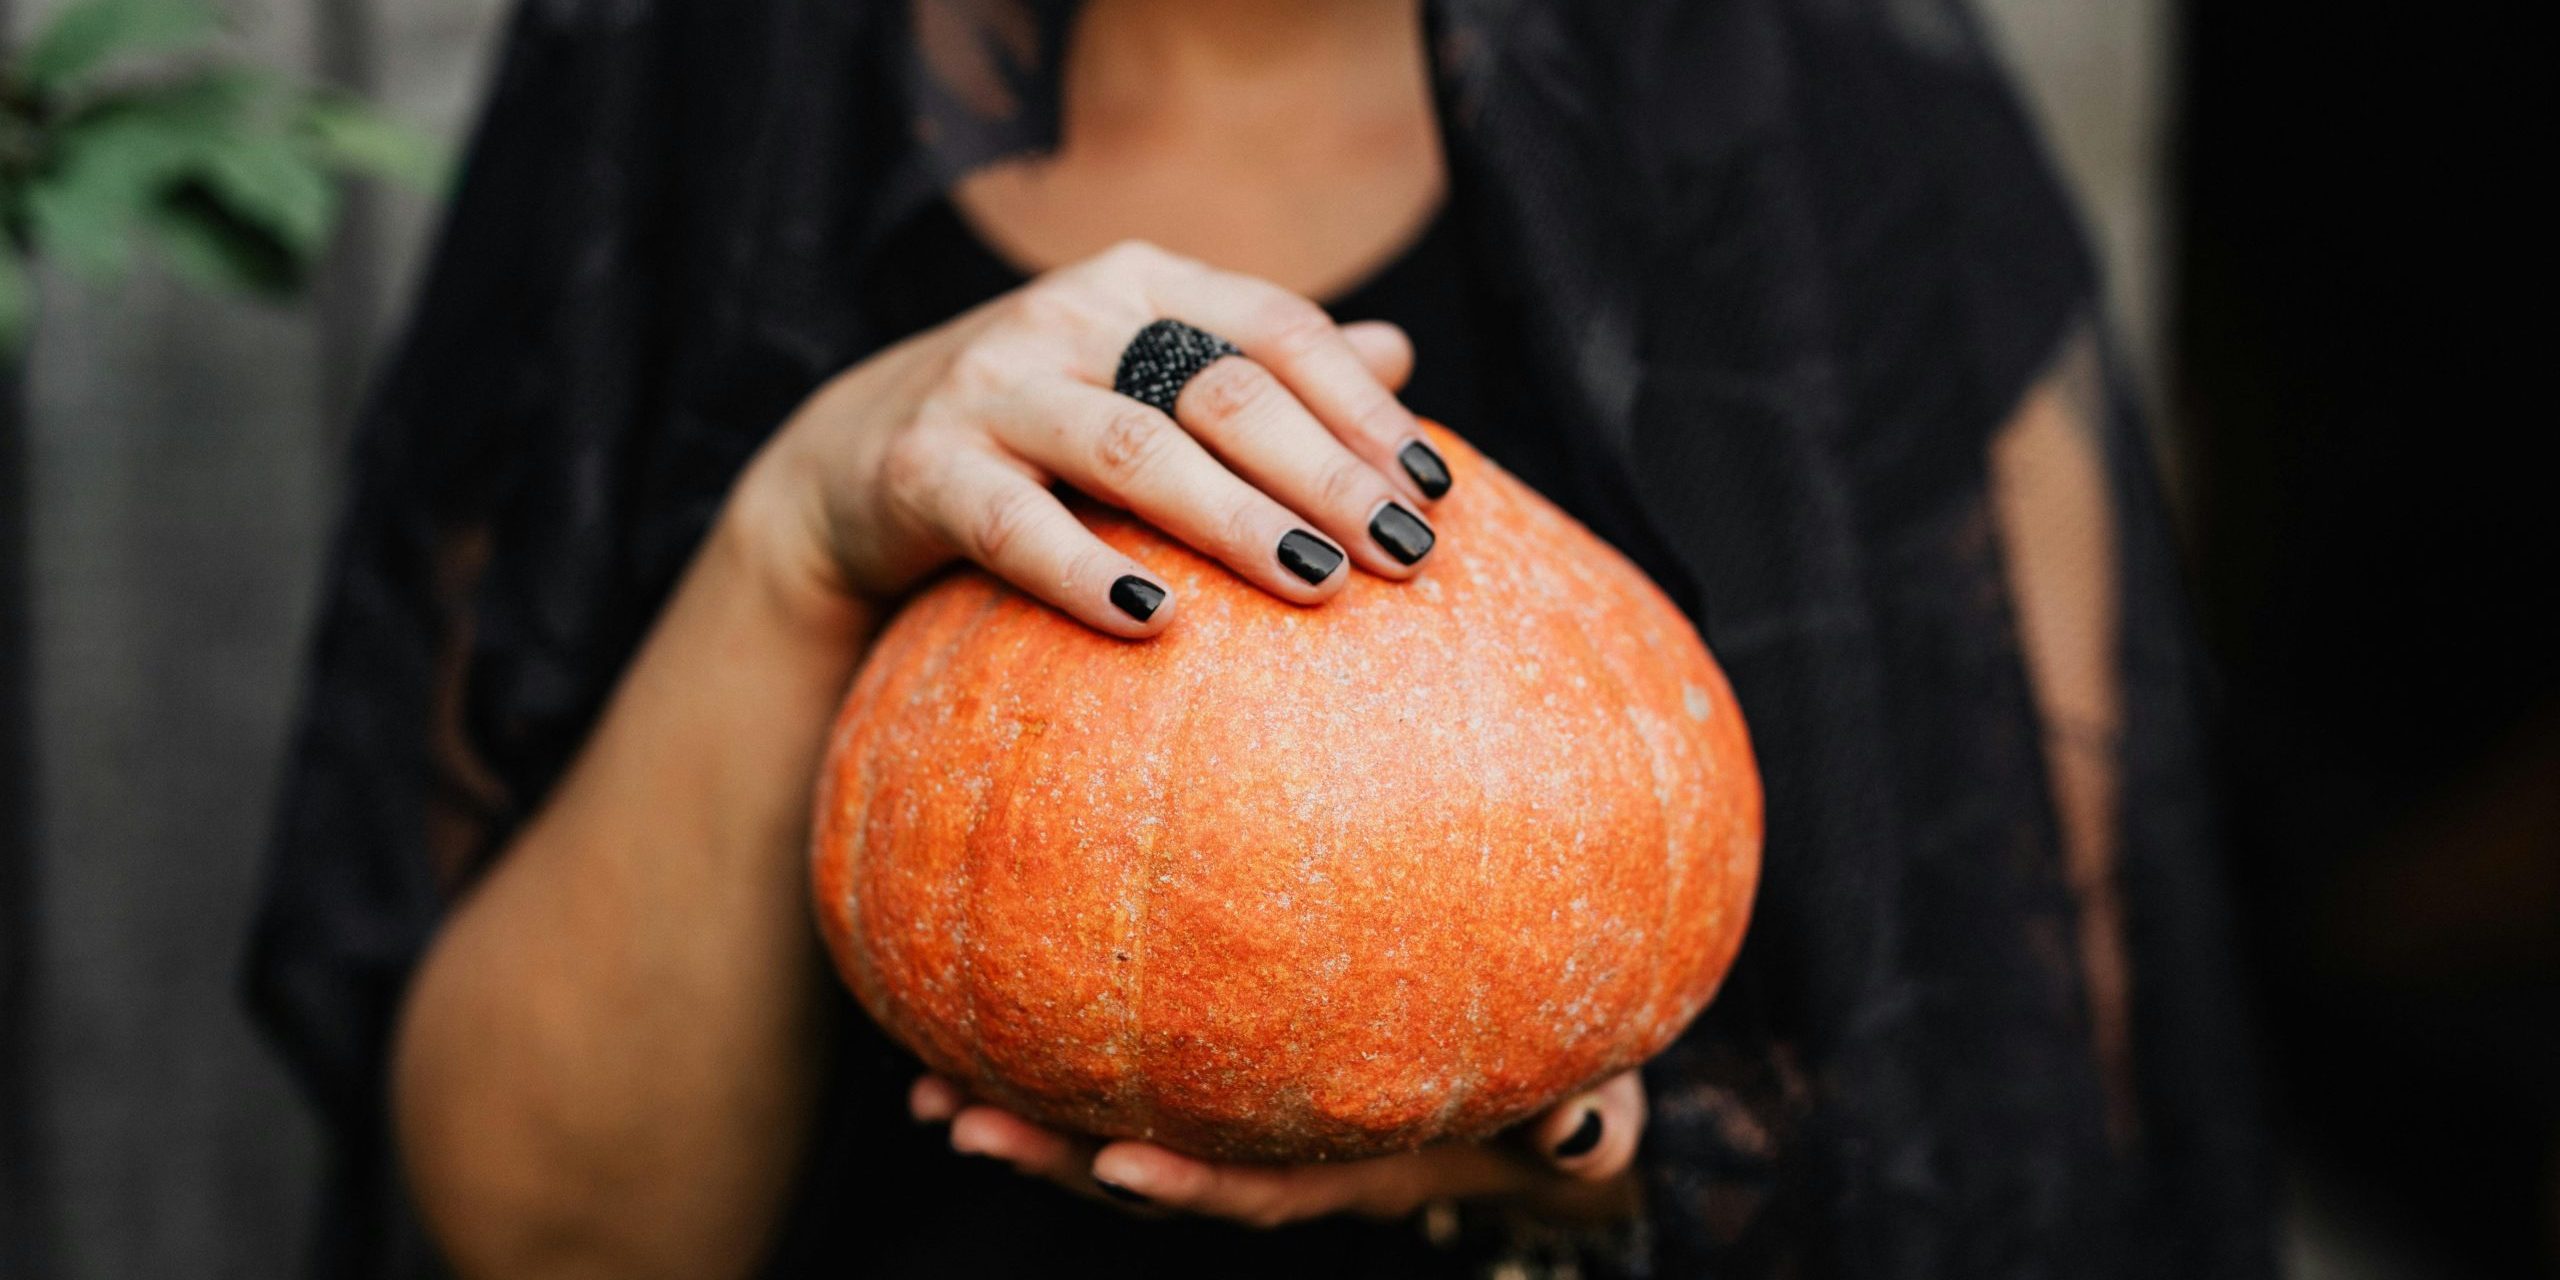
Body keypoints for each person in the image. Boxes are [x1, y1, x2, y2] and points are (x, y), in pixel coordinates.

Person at [247, 1, 2272, 1276]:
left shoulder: (1849, 140)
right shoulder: (680, 86)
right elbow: (545, 1238)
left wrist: (1568, 1181)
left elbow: (2034, 1134)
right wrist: (805, 518)